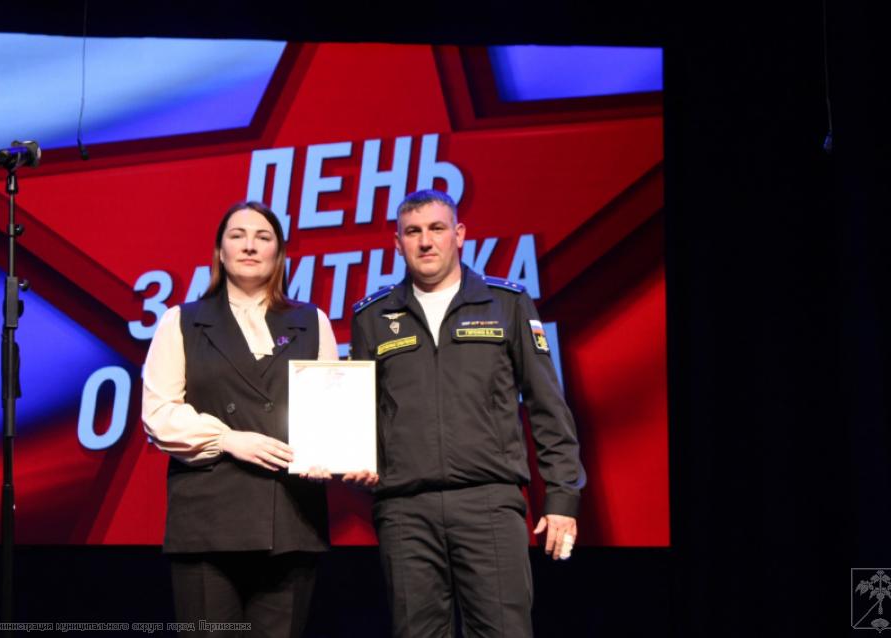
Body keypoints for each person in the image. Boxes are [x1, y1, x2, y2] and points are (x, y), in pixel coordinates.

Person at [350, 189, 586, 637]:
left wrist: (562, 498)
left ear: (458, 234)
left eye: (436, 229)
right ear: (397, 242)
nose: (425, 241)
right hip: (405, 510)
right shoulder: (373, 317)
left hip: (490, 503)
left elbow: (547, 405)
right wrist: (351, 457)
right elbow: (359, 411)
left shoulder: (507, 302)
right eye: (413, 232)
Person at [142, 201, 375, 638]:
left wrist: (337, 455)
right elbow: (159, 413)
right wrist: (228, 439)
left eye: (263, 237)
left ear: (278, 253)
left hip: (290, 518)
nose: (250, 246)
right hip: (208, 521)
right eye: (238, 236)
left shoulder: (311, 321)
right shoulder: (182, 321)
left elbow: (329, 409)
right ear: (220, 251)